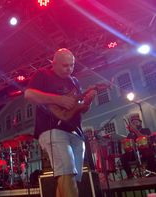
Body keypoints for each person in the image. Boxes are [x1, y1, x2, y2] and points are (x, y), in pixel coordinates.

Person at [24, 48, 97, 197]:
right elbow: (29, 94)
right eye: (65, 65)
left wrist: (88, 101)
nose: (69, 69)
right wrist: (59, 99)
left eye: (72, 65)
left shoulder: (74, 81)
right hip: (52, 129)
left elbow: (80, 108)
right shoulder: (43, 74)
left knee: (70, 178)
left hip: (76, 131)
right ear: (54, 63)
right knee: (67, 174)